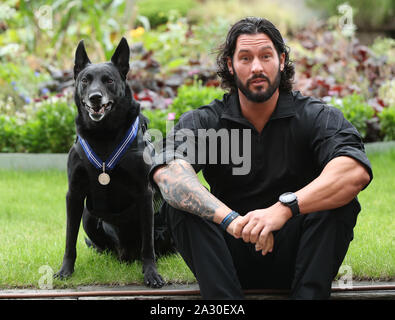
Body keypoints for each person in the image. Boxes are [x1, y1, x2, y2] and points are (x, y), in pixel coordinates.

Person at [149, 17, 373, 299]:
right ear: (230, 65)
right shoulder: (206, 121)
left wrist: (282, 210)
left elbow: (354, 171)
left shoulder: (315, 116)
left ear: (281, 61)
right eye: (245, 57)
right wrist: (232, 220)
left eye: (265, 56)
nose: (256, 67)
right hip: (226, 258)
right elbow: (167, 175)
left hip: (299, 257)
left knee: (337, 200)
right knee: (181, 203)